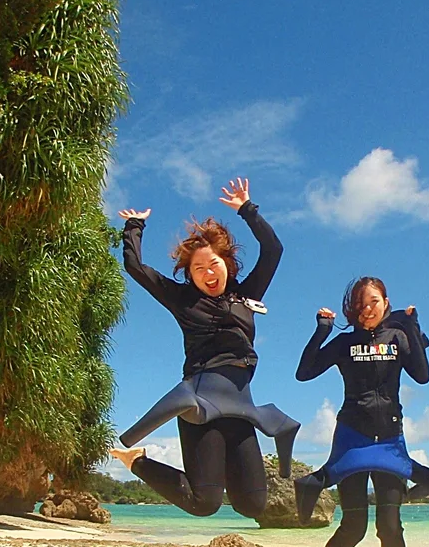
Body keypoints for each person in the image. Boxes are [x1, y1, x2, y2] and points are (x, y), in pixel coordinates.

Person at [110, 178, 299, 518]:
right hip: (199, 404)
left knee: (254, 504)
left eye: (213, 264)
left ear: (226, 263)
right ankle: (137, 461)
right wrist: (134, 226)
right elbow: (136, 268)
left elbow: (274, 250)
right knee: (205, 503)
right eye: (198, 269)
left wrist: (247, 209)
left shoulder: (248, 295)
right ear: (190, 275)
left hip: (241, 405)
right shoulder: (184, 301)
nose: (208, 274)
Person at [293, 277, 429, 547]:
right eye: (361, 304)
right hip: (352, 436)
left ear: (386, 302)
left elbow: (422, 376)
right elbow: (304, 373)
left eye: (374, 301)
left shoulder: (398, 339)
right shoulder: (345, 343)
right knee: (353, 526)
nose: (367, 309)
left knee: (389, 526)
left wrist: (413, 326)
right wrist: (321, 332)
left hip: (390, 439)